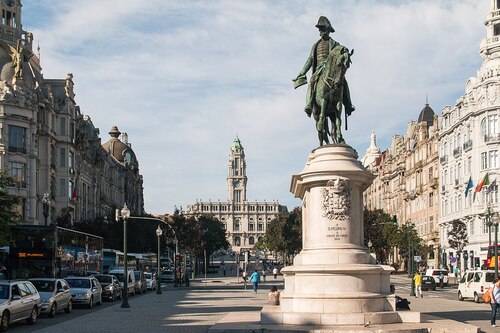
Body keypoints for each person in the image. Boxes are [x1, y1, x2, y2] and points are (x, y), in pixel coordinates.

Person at [293, 16, 355, 119]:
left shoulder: (334, 44)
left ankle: (348, 104)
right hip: (319, 70)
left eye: (322, 29)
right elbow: (310, 60)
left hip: (332, 70)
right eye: (320, 29)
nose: (321, 31)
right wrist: (302, 72)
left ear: (328, 30)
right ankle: (309, 104)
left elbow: (342, 50)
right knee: (312, 81)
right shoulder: (316, 45)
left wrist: (345, 50)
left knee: (343, 81)